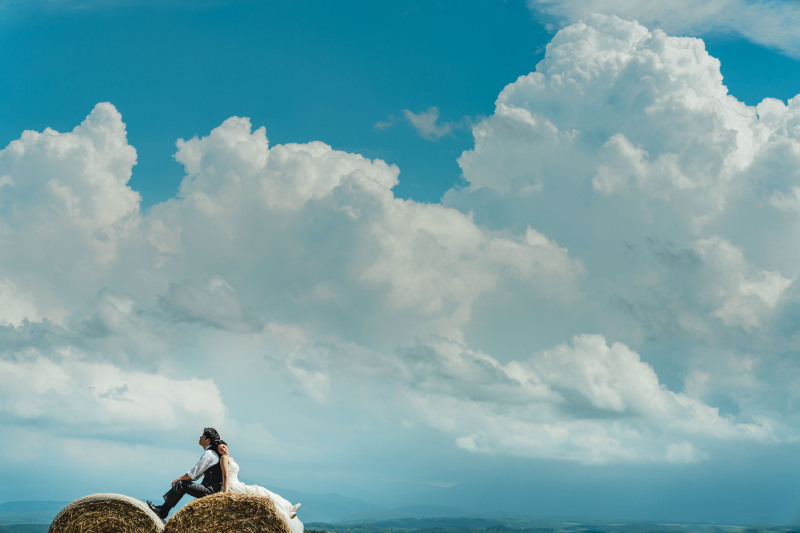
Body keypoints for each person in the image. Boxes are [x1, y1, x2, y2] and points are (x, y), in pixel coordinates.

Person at [214, 440, 303, 533]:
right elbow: (226, 475)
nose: (223, 449)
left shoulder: (231, 458)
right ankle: (289, 507)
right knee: (260, 490)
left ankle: (287, 508)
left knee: (262, 493)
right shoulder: (224, 458)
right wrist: (226, 492)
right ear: (219, 452)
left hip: (237, 483)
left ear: (227, 446)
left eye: (224, 446)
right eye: (220, 449)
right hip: (232, 486)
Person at [147, 427, 224, 522]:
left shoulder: (209, 454)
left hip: (209, 490)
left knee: (181, 484)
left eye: (202, 436)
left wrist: (178, 479)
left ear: (207, 440)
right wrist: (184, 479)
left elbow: (193, 474)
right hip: (210, 489)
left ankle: (162, 511)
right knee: (182, 484)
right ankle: (163, 510)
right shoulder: (212, 454)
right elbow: (195, 476)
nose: (200, 437)